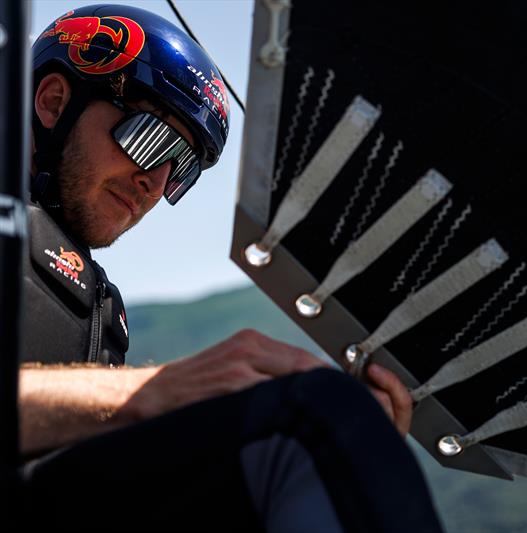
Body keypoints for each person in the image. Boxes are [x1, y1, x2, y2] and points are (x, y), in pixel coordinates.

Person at [17, 5, 441, 532]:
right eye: (151, 141)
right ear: (54, 102)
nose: (155, 183)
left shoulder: (101, 307)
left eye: (182, 170)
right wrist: (153, 393)